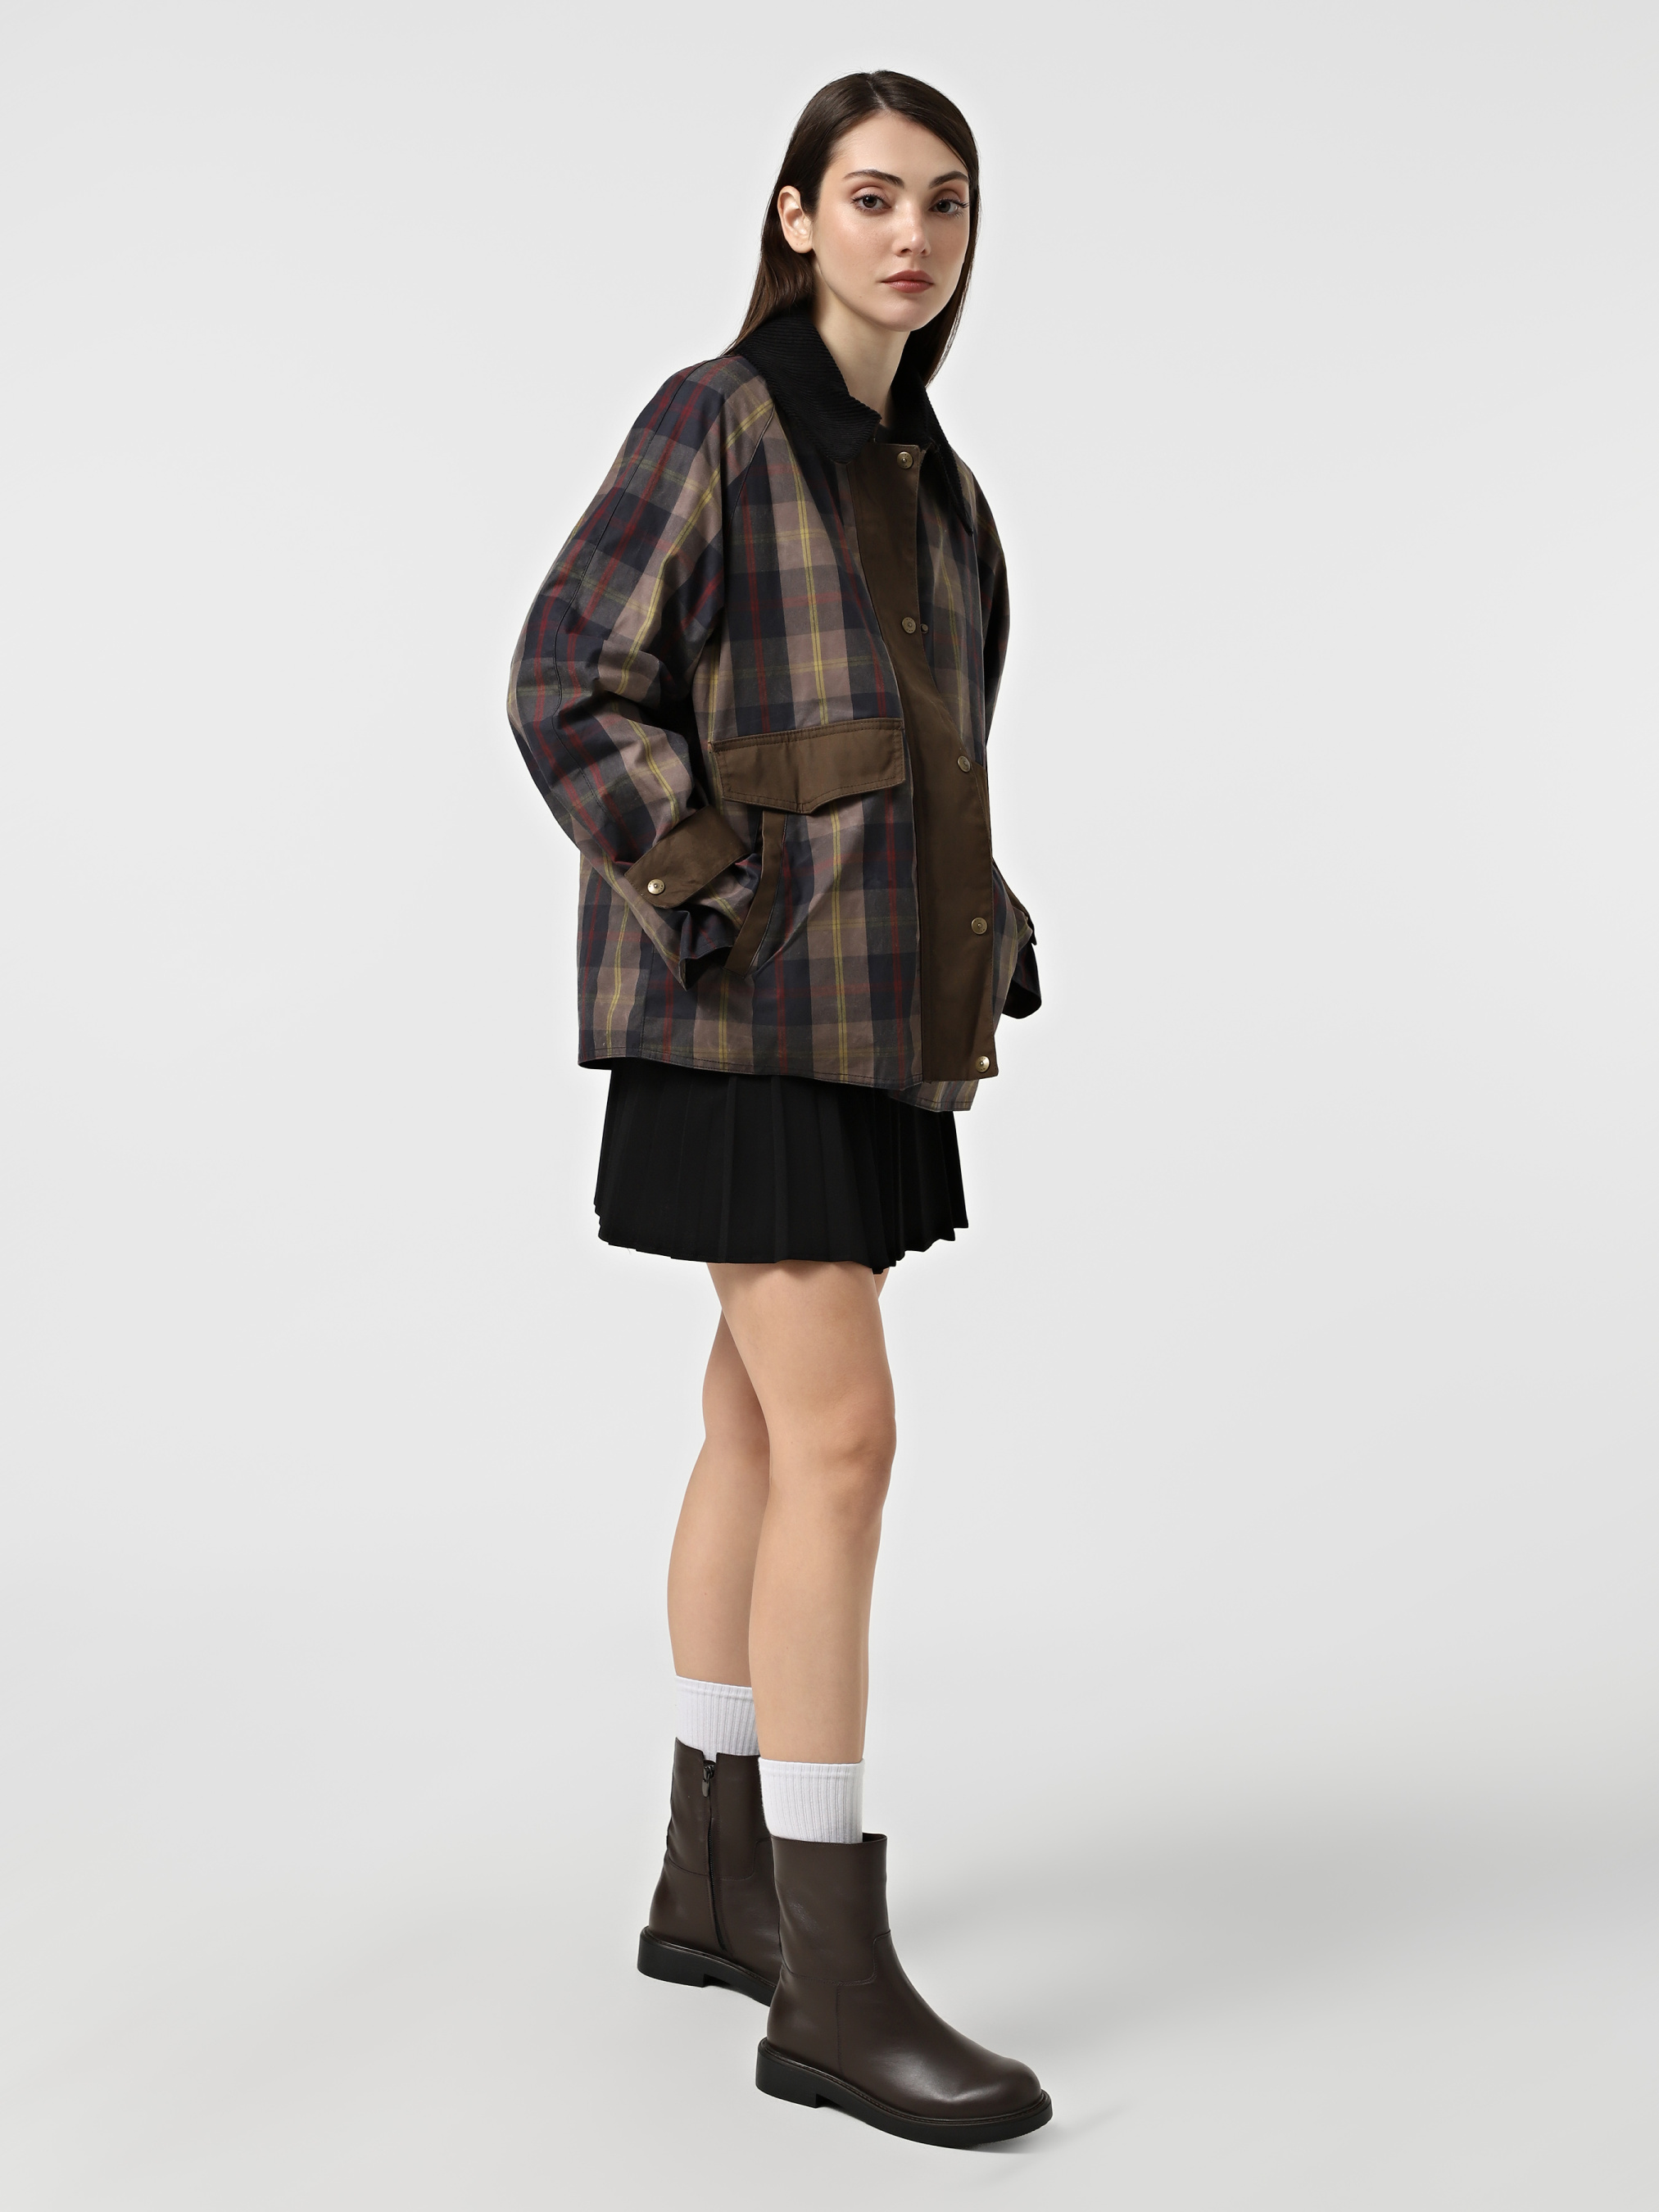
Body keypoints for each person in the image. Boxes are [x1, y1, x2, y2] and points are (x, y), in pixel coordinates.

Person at [507, 70, 1048, 2148]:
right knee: (840, 1441)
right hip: (740, 1019)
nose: (913, 236)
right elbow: (567, 675)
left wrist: (980, 914)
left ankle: (715, 1880)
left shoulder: (936, 486)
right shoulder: (717, 420)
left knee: (753, 1426)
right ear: (796, 215)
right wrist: (711, 885)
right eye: (874, 196)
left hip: (864, 1021)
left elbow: (913, 752)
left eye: (946, 203)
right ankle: (827, 1975)